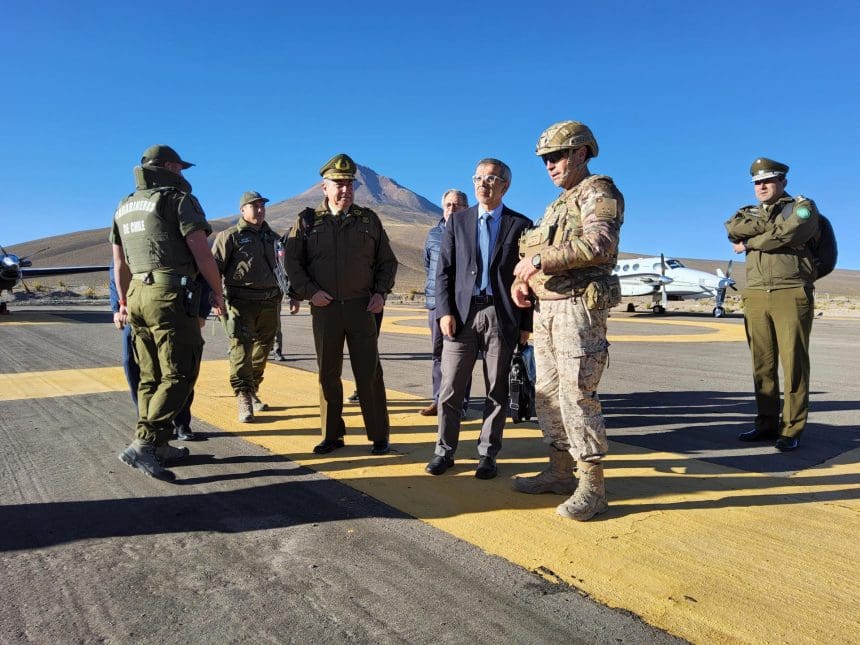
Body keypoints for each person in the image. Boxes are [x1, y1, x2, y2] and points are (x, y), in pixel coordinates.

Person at [511, 121, 624, 521]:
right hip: (548, 308)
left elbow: (600, 243)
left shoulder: (598, 191)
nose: (549, 166)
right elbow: (540, 251)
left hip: (578, 309)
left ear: (581, 153)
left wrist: (539, 261)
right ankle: (560, 470)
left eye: (556, 157)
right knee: (547, 392)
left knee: (578, 394)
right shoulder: (558, 204)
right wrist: (522, 283)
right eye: (545, 160)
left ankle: (593, 487)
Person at [111, 144, 225, 482]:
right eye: (179, 168)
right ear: (167, 167)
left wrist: (123, 301)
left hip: (137, 297)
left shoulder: (125, 205)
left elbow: (120, 263)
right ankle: (146, 443)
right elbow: (202, 253)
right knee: (179, 373)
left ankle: (158, 445)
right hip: (169, 296)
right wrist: (217, 291)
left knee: (151, 375)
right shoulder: (177, 200)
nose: (182, 174)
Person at [284, 153, 397, 455]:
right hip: (325, 308)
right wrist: (310, 292)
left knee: (369, 372)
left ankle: (379, 435)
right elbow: (293, 264)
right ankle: (331, 434)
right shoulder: (307, 221)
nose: (345, 189)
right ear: (324, 187)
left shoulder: (369, 220)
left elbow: (387, 262)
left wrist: (380, 293)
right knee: (327, 373)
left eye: (349, 184)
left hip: (362, 307)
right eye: (338, 183)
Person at [426, 158, 532, 479]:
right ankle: (444, 452)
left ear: (505, 185)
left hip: (502, 316)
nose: (483, 184)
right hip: (462, 315)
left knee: (496, 390)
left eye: (490, 179)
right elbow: (443, 271)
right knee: (451, 388)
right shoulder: (458, 222)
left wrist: (526, 325)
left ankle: (488, 454)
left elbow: (528, 281)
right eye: (478, 178)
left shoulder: (521, 226)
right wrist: (444, 312)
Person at [725, 158, 820, 452]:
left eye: (768, 181)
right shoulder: (745, 212)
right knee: (762, 364)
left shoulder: (803, 206)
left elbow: (794, 230)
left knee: (793, 363)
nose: (762, 186)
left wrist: (752, 242)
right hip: (755, 293)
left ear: (783, 182)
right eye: (757, 182)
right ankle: (766, 424)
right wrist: (773, 230)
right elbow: (732, 229)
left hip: (790, 291)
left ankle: (791, 429)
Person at [212, 191, 298, 422]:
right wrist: (214, 297)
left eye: (262, 206)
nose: (259, 210)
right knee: (241, 348)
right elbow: (214, 268)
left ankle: (252, 389)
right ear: (243, 210)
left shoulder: (273, 238)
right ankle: (243, 396)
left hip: (270, 301)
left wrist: (294, 295)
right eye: (254, 206)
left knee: (264, 348)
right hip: (240, 302)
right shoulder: (230, 236)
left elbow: (285, 268)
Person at [109, 261, 210, 441]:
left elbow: (202, 273)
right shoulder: (131, 237)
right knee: (135, 366)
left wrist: (201, 311)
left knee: (177, 367)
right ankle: (147, 424)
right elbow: (117, 269)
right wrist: (118, 307)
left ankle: (181, 423)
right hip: (136, 312)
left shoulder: (178, 238)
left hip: (174, 310)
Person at [420, 189, 472, 417]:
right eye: (448, 205)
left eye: (457, 205)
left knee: (461, 356)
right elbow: (427, 265)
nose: (452, 209)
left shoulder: (472, 233)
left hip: (462, 306)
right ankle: (438, 400)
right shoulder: (432, 235)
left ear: (466, 208)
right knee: (438, 354)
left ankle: (459, 403)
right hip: (435, 305)